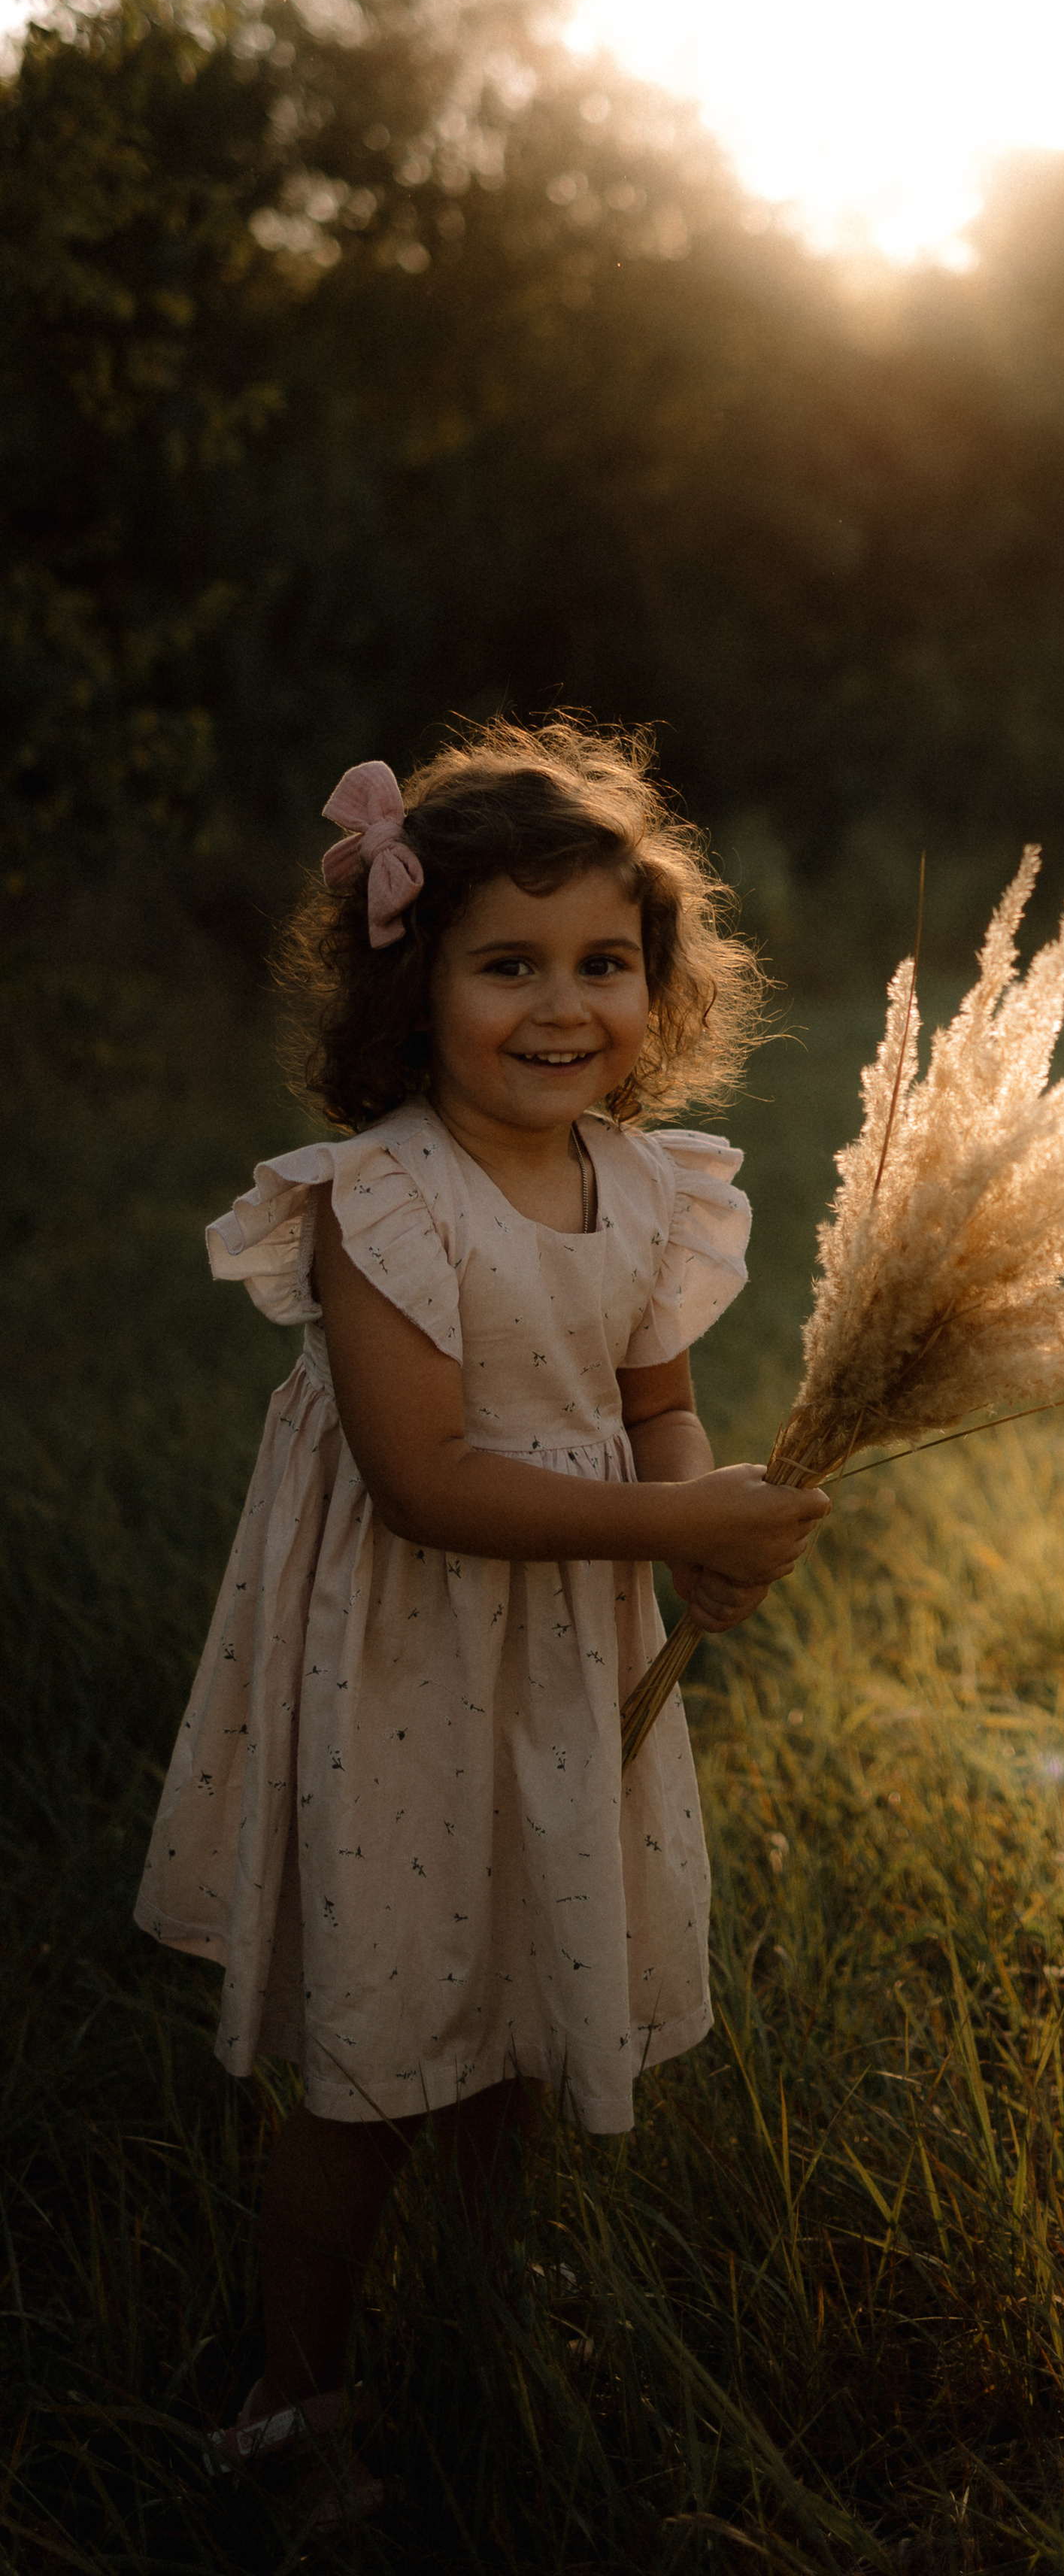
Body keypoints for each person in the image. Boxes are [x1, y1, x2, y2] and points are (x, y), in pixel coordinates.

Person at [135, 720, 829, 2519]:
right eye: (505, 963)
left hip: (567, 1646)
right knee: (376, 2043)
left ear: (655, 985)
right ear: (410, 982)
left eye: (603, 962)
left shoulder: (646, 1181)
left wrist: (702, 1534)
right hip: (405, 1655)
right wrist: (663, 1508)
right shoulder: (386, 1199)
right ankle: (295, 2391)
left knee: (517, 1992)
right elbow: (423, 1479)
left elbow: (657, 1397)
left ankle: (478, 2308)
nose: (560, 1006)